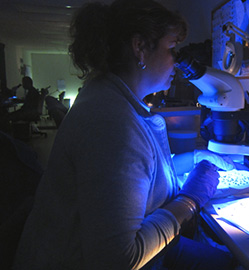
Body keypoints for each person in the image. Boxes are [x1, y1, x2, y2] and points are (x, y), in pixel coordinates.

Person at [13, 1, 237, 269]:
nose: (176, 61)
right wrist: (190, 200)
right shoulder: (111, 122)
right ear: (139, 47)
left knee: (227, 260)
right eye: (171, 48)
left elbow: (136, 176)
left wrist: (194, 157)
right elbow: (119, 259)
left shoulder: (110, 98)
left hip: (125, 248)